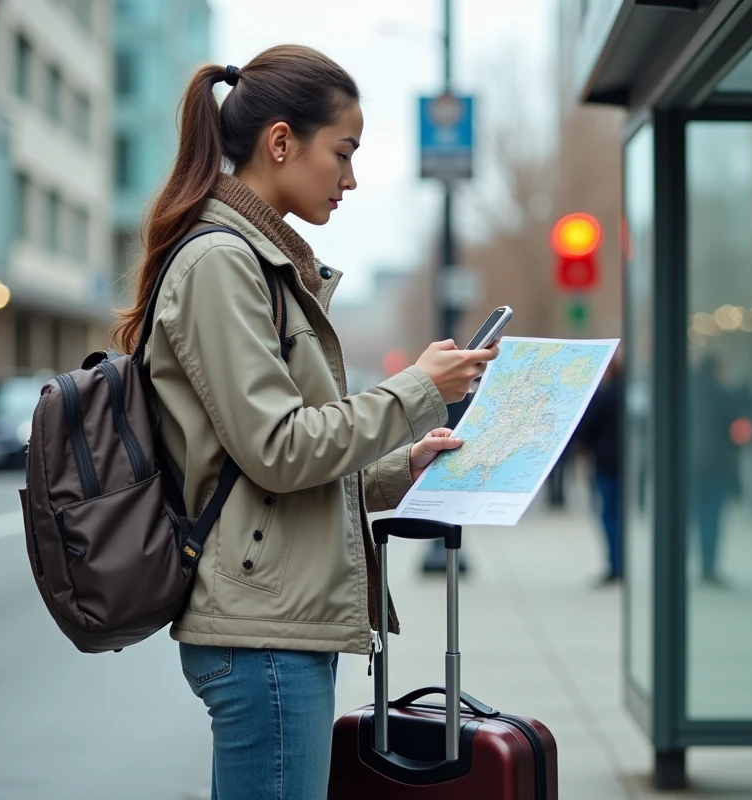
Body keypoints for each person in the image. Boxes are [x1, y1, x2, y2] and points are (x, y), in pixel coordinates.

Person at [110, 47, 499, 800]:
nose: (350, 180)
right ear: (282, 142)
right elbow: (280, 449)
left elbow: (274, 462)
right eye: (343, 153)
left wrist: (403, 465)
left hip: (274, 624)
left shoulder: (260, 263)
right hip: (263, 634)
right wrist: (418, 388)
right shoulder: (222, 263)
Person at [689, 354, 739, 585]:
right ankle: (708, 567)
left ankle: (677, 566)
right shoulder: (723, 395)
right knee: (711, 518)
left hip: (690, 467)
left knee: (689, 517)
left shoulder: (687, 393)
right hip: (717, 467)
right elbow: (737, 431)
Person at [577, 356, 625, 584]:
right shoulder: (632, 395)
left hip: (606, 464)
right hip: (627, 465)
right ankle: (622, 563)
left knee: (610, 514)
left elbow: (586, 428)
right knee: (622, 515)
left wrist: (585, 447)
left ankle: (616, 564)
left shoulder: (604, 396)